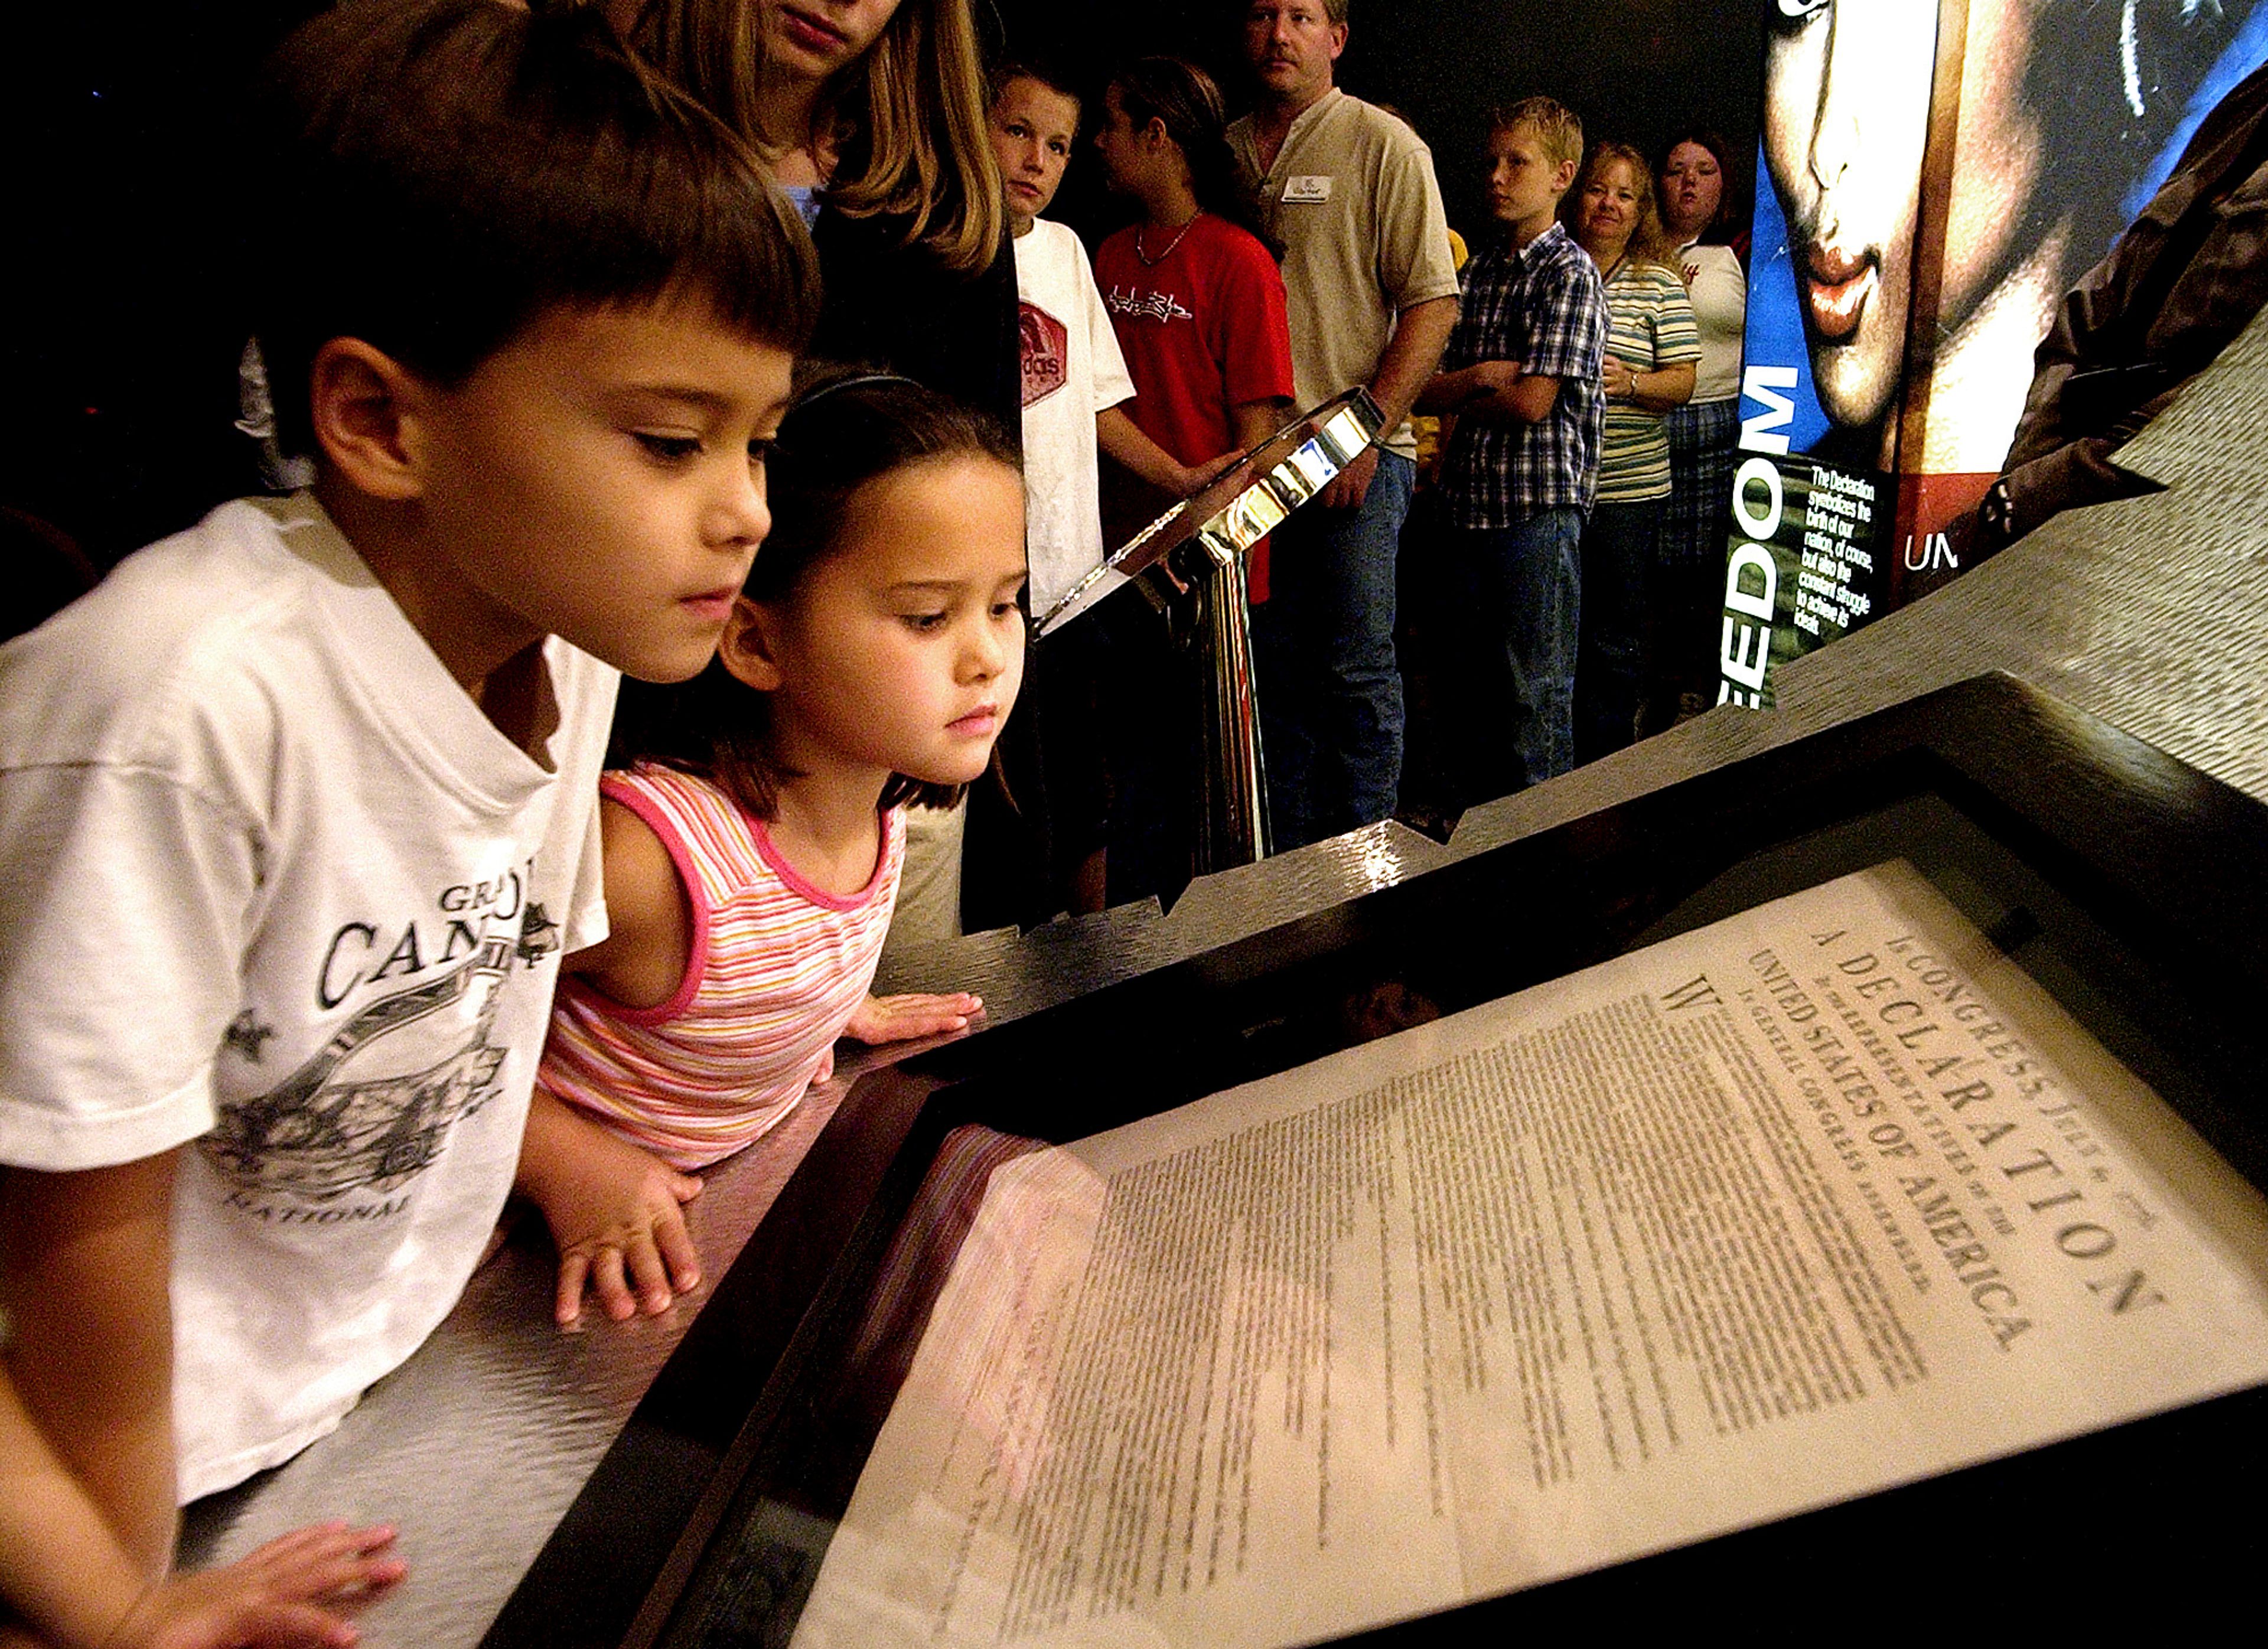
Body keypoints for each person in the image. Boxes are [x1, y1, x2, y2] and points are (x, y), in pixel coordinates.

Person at [0, 1, 817, 1640]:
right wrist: (114, 1594)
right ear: (382, 420)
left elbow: (459, 991)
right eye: (672, 440)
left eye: (761, 440)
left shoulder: (566, 641)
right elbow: (67, 1221)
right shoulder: (180, 711)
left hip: (308, 1415)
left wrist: (564, 1146)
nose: (748, 508)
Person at [526, 371, 1021, 1325]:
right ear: (757, 643)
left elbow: (760, 945)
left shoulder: (872, 803)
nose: (988, 656)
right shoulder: (651, 864)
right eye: (928, 615)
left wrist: (824, 1004)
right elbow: (412, 1027)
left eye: (1002, 604)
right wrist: (560, 1157)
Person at [615, 0, 1037, 934]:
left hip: (878, 770)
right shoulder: (591, 153)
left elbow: (986, 483)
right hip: (635, 740)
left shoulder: (938, 202)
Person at [1228, 0, 1460, 851]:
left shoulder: (1384, 145)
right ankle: (1284, 877)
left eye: (1301, 15)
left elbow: (1433, 304)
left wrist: (1363, 429)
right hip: (1249, 467)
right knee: (1272, 678)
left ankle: (1366, 871)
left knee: (1356, 675)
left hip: (1356, 460)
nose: (1279, 34)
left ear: (1338, 37)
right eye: (1261, 14)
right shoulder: (1219, 151)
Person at [1091, 54, 1297, 897]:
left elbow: (1263, 445)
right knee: (1125, 785)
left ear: (1157, 134)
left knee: (1196, 794)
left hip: (1207, 577)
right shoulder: (1104, 254)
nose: (1097, 144)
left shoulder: (1238, 260)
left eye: (1109, 125)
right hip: (1111, 568)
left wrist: (1204, 539)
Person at [1416, 97, 1606, 799]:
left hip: (1536, 512)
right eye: (1492, 161)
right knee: (1469, 693)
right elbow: (1426, 389)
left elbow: (1532, 402)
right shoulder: (1481, 270)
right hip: (1468, 508)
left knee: (1534, 696)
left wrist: (1473, 390)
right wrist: (1476, 378)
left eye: (1516, 162)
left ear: (1561, 174)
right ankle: (1477, 850)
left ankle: (1541, 857)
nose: (1497, 176)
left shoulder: (1570, 274)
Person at [1565, 141, 1697, 764]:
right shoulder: (1554, 269)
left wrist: (1634, 382)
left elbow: (1685, 381)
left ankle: (1608, 773)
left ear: (1641, 207)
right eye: (1598, 189)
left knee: (1615, 642)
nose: (1609, 203)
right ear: (1577, 194)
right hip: (1555, 491)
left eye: (1623, 193)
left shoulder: (1659, 283)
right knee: (1555, 638)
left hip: (1628, 493)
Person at [1648, 128, 1746, 731]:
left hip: (1716, 431)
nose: (1689, 181)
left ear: (1725, 183)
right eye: (1677, 168)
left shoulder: (1742, 248)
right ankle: (1649, 701)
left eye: (1704, 170)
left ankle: (1694, 700)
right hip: (1644, 430)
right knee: (1644, 578)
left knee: (1704, 577)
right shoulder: (1636, 247)